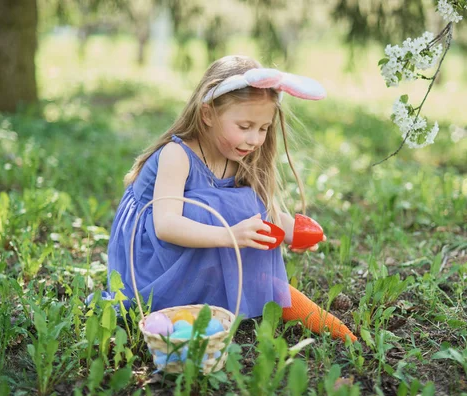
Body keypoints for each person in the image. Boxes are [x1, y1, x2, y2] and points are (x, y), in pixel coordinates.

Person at [107, 55, 356, 342]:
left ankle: (307, 312)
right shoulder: (176, 155)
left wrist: (291, 232)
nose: (254, 139)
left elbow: (257, 214)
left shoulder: (239, 154)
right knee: (214, 211)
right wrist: (231, 235)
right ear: (207, 114)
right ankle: (258, 291)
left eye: (263, 129)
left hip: (206, 240)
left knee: (244, 202)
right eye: (245, 126)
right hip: (154, 258)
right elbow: (166, 225)